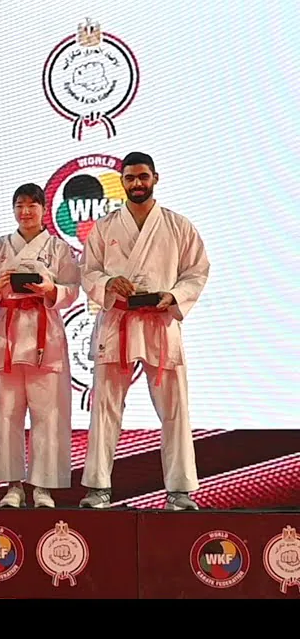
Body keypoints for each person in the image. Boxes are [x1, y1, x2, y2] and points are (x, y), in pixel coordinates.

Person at [79, 151, 210, 511]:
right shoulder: (105, 227)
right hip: (118, 321)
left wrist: (174, 295)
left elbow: (196, 271)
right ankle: (98, 487)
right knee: (104, 406)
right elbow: (87, 271)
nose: (137, 183)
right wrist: (108, 283)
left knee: (175, 407)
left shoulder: (178, 226)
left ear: (155, 178)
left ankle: (180, 491)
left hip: (160, 321)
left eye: (143, 177)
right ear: (121, 182)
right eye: (130, 178)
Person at [0, 184, 80, 508]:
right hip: (6, 333)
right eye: (19, 205)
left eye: (32, 205)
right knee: (5, 411)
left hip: (44, 333)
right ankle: (13, 486)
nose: (25, 212)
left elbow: (73, 288)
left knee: (47, 412)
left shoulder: (58, 249)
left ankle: (43, 487)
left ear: (43, 209)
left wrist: (50, 289)